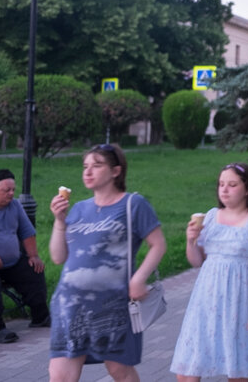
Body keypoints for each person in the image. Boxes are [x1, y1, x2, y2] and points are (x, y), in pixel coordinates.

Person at [48, 144, 166, 382]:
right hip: (69, 305)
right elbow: (58, 257)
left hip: (112, 306)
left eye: (97, 165)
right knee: (59, 376)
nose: (88, 172)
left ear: (116, 171)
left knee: (119, 371)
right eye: (85, 166)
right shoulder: (79, 208)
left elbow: (159, 244)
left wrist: (139, 278)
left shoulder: (133, 204)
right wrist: (59, 222)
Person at [171, 162, 248, 381]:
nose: (224, 190)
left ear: (247, 189)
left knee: (236, 370)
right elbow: (197, 261)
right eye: (221, 184)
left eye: (232, 184)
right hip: (205, 302)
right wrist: (190, 241)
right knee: (187, 371)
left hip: (240, 303)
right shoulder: (210, 216)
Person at [0, 169, 51, 344]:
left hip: (8, 261)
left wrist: (33, 256)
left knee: (33, 270)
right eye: (7, 190)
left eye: (13, 189)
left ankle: (40, 317)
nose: (12, 193)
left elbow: (27, 232)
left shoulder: (15, 205)